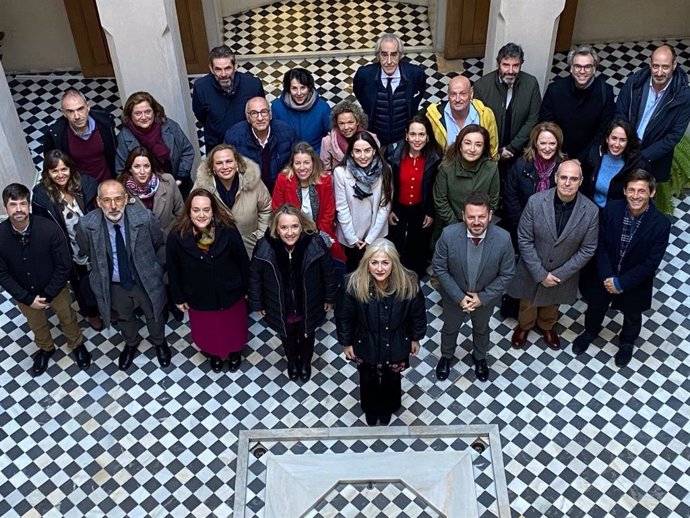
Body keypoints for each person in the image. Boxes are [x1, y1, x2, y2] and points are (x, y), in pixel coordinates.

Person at [575, 170, 670, 367]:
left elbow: (651, 263)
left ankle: (627, 343)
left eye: (641, 191)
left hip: (634, 280)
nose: (636, 195)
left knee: (632, 315)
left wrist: (621, 282)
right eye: (632, 190)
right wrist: (608, 276)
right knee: (595, 306)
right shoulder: (611, 210)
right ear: (625, 191)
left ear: (651, 193)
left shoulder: (661, 224)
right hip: (604, 274)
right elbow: (599, 245)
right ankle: (590, 331)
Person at [76, 180, 170, 371]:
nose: (113, 206)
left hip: (144, 280)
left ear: (126, 199)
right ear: (98, 202)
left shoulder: (144, 218)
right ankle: (131, 342)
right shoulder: (87, 226)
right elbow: (86, 250)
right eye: (107, 200)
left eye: (118, 199)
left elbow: (157, 241)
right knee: (124, 317)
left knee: (154, 312)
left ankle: (159, 342)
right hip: (114, 283)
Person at [0, 183, 91, 376]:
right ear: (5, 207)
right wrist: (26, 298)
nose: (18, 209)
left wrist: (49, 294)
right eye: (13, 204)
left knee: (67, 316)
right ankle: (46, 348)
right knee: (36, 324)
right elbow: (2, 274)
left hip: (56, 289)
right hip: (25, 293)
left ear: (29, 206)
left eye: (22, 204)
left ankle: (76, 344)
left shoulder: (49, 229)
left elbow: (64, 265)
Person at [509, 161, 598, 350]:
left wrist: (560, 274)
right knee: (527, 303)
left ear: (580, 181)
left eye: (573, 179)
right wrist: (540, 274)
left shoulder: (591, 211)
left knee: (552, 304)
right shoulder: (535, 201)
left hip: (563, 273)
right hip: (532, 268)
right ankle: (524, 326)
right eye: (563, 177)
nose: (567, 183)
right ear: (556, 178)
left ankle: (546, 326)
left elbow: (588, 249)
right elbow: (524, 238)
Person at [335, 238, 426, 426]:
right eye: (374, 262)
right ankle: (370, 408)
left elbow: (417, 313)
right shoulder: (352, 284)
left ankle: (389, 406)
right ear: (367, 263)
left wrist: (416, 338)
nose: (379, 268)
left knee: (392, 377)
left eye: (385, 262)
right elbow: (344, 316)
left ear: (394, 263)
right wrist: (347, 342)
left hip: (397, 340)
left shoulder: (409, 282)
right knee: (367, 377)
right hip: (365, 340)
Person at [432, 191, 515, 382]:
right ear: (463, 216)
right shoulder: (449, 235)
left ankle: (480, 358)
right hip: (455, 296)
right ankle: (446, 356)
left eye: (481, 217)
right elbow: (439, 267)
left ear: (490, 215)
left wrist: (482, 297)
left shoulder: (503, 239)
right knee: (450, 328)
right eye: (471, 217)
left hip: (484, 299)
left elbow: (507, 273)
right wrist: (460, 297)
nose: (476, 222)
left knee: (481, 329)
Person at [167, 189, 250, 373]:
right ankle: (214, 354)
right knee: (209, 330)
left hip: (230, 293)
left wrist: (247, 288)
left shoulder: (228, 229)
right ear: (189, 211)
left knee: (233, 327)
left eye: (206, 209)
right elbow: (173, 270)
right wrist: (178, 297)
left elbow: (242, 260)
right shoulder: (177, 236)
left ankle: (235, 352)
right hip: (199, 296)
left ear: (213, 210)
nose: (201, 215)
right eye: (196, 210)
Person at [250, 205, 336, 382]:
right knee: (287, 336)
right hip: (280, 305)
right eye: (284, 227)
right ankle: (292, 362)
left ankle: (305, 363)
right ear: (276, 229)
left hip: (308, 304)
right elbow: (255, 277)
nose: (290, 232)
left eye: (294, 226)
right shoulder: (264, 246)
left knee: (307, 335)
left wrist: (329, 297)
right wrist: (258, 303)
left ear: (302, 226)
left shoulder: (315, 243)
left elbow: (328, 273)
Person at [31, 149, 101, 330]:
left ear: (71, 169)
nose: (60, 175)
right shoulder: (41, 196)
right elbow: (41, 227)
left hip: (94, 242)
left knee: (103, 274)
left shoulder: (85, 184)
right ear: (48, 173)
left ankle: (108, 306)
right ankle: (91, 311)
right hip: (69, 248)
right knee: (80, 282)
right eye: (55, 171)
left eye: (64, 169)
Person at [615, 44, 690, 184]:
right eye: (655, 66)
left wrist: (643, 156)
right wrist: (623, 143)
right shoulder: (635, 82)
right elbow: (620, 112)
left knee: (644, 200)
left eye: (665, 67)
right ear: (650, 64)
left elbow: (674, 136)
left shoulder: (683, 96)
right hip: (625, 150)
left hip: (653, 160)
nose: (659, 72)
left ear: (674, 65)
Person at [473, 42, 541, 177]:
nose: (510, 70)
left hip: (521, 152)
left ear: (521, 64)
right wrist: (497, 151)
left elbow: (533, 119)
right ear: (498, 64)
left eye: (515, 65)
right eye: (506, 65)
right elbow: (478, 122)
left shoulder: (531, 84)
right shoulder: (482, 86)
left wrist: (512, 148)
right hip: (489, 153)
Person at [271, 142, 346, 264]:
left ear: (313, 163)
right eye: (298, 163)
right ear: (292, 164)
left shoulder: (325, 180)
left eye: (306, 163)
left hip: (320, 233)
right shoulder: (283, 179)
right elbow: (277, 210)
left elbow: (328, 213)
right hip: (290, 234)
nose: (302, 168)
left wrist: (317, 238)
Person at [386, 115, 442, 277]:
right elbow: (388, 186)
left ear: (428, 136)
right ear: (406, 135)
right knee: (396, 241)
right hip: (399, 207)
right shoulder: (393, 154)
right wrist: (390, 209)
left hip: (421, 207)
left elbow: (435, 188)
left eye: (421, 134)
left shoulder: (435, 157)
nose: (417, 139)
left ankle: (415, 273)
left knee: (418, 242)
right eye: (413, 134)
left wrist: (430, 212)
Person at [193, 144, 272, 257]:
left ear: (237, 164)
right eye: (219, 163)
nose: (225, 167)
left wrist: (260, 237)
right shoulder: (202, 186)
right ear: (212, 168)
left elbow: (266, 209)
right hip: (218, 250)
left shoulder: (254, 182)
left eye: (229, 161)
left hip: (251, 246)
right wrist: (207, 240)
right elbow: (194, 215)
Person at [539, 45, 615, 159]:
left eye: (587, 67)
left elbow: (604, 131)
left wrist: (581, 160)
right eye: (578, 66)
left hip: (589, 157)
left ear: (594, 69)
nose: (582, 71)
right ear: (571, 68)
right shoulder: (555, 90)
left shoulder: (605, 92)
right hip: (556, 154)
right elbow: (546, 124)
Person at [115, 91, 195, 198]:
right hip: (147, 195)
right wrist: (142, 189)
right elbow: (121, 171)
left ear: (154, 112)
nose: (143, 117)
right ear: (130, 116)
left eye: (147, 112)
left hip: (179, 185)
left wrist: (179, 179)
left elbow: (187, 150)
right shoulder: (124, 138)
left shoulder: (169, 126)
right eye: (138, 113)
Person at [333, 131, 392, 272]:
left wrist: (371, 238)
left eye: (367, 150)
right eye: (357, 151)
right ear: (351, 153)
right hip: (351, 236)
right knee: (353, 274)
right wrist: (352, 238)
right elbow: (342, 207)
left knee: (377, 272)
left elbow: (385, 206)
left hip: (376, 233)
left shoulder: (385, 170)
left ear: (374, 151)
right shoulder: (341, 173)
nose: (363, 156)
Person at [353, 33, 426, 146]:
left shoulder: (415, 74)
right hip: (376, 139)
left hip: (404, 141)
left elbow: (418, 95)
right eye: (384, 55)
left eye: (393, 55)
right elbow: (360, 94)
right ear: (378, 56)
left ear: (400, 55)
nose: (389, 61)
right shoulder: (364, 75)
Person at [192, 45, 265, 151]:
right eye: (218, 69)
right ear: (211, 69)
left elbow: (260, 111)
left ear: (235, 67)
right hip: (217, 146)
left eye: (227, 68)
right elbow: (200, 114)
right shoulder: (201, 87)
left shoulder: (253, 85)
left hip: (248, 145)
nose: (223, 74)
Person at [503, 122, 567, 241]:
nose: (547, 148)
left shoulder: (564, 167)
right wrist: (523, 225)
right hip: (521, 227)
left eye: (552, 143)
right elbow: (510, 196)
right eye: (543, 143)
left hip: (553, 231)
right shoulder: (521, 165)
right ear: (535, 144)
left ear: (558, 144)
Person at [42, 88, 117, 183]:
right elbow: (50, 165)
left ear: (88, 107)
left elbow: (114, 152)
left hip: (108, 182)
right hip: (79, 187)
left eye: (80, 109)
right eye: (70, 111)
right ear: (63, 113)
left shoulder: (105, 123)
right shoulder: (55, 134)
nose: (77, 116)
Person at [224, 97, 296, 192]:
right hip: (250, 191)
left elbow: (295, 162)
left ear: (270, 115)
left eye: (264, 112)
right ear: (248, 118)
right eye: (254, 113)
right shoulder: (234, 137)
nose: (260, 118)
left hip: (281, 189)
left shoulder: (286, 132)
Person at [433, 124, 499, 227]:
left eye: (478, 145)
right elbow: (440, 200)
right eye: (468, 143)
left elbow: (493, 201)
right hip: (449, 223)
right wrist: (456, 226)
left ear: (484, 148)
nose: (472, 149)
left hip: (480, 225)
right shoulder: (446, 167)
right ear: (460, 145)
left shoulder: (491, 168)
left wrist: (478, 222)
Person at [421, 75, 498, 157]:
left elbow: (492, 150)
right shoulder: (433, 117)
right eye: (453, 94)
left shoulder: (485, 115)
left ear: (471, 94)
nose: (458, 99)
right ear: (448, 95)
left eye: (463, 94)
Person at [118, 147, 184, 240]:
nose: (142, 172)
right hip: (143, 245)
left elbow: (181, 212)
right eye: (137, 166)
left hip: (171, 239)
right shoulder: (122, 190)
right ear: (130, 169)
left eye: (146, 166)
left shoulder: (167, 181)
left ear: (151, 167)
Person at [580, 119, 648, 208]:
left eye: (622, 140)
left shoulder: (638, 164)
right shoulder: (594, 154)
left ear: (628, 142)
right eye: (614, 138)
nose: (617, 144)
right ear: (607, 138)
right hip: (592, 209)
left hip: (620, 214)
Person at [271, 68, 331, 153]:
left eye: (303, 88)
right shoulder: (277, 108)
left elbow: (331, 136)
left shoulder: (323, 108)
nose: (299, 93)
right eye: (294, 88)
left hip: (316, 158)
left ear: (309, 88)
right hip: (288, 158)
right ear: (288, 89)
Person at [320, 100, 380, 171]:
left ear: (357, 121)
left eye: (350, 122)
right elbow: (325, 171)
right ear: (336, 124)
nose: (346, 127)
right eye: (342, 123)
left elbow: (377, 165)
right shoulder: (327, 142)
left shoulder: (372, 139)